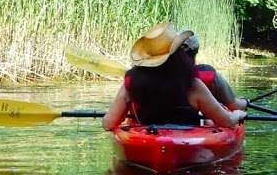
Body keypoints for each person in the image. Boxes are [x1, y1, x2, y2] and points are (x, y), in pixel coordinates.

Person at [102, 22, 247, 130]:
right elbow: (226, 121)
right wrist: (238, 115)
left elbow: (108, 124)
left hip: (148, 137)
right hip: (187, 142)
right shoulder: (192, 84)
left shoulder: (132, 83)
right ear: (178, 54)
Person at [183, 34, 247, 111]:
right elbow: (234, 106)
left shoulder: (166, 76)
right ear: (197, 51)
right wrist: (245, 101)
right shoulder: (202, 77)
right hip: (198, 118)